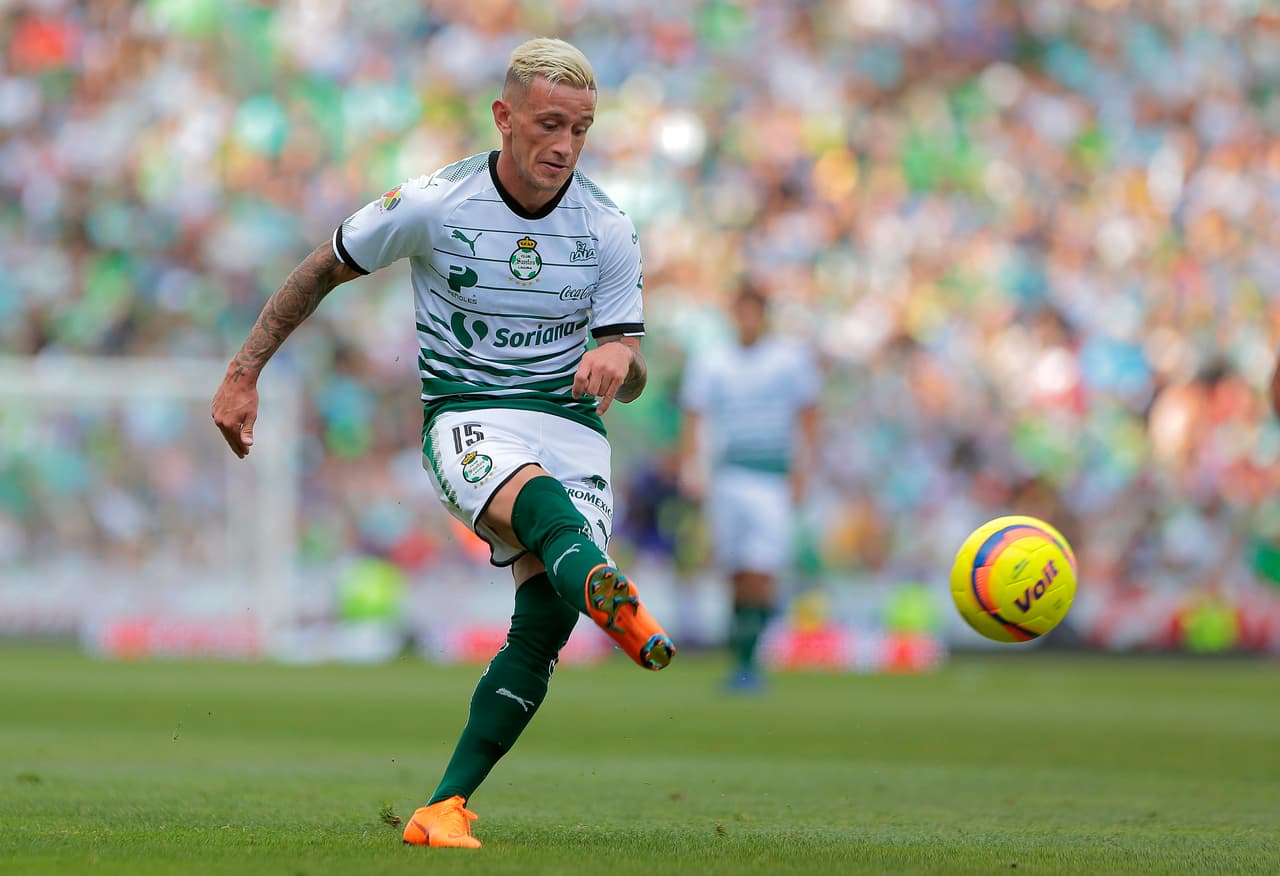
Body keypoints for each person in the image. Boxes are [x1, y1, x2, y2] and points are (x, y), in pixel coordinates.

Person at [210, 37, 675, 850]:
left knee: (543, 624)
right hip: (470, 415)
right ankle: (604, 585)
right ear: (504, 117)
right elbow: (325, 267)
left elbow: (626, 370)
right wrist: (245, 371)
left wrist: (622, 359)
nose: (563, 146)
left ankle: (444, 807)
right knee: (546, 513)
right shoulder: (436, 202)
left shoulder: (608, 225)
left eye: (581, 130)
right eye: (549, 124)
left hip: (573, 425)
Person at [678, 283, 821, 691]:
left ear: (764, 314)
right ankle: (742, 661)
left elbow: (808, 414)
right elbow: (694, 416)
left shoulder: (788, 360)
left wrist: (802, 470)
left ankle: (751, 659)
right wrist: (692, 468)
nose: (747, 319)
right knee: (736, 570)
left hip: (771, 475)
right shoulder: (713, 361)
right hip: (729, 473)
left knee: (763, 569)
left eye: (753, 311)